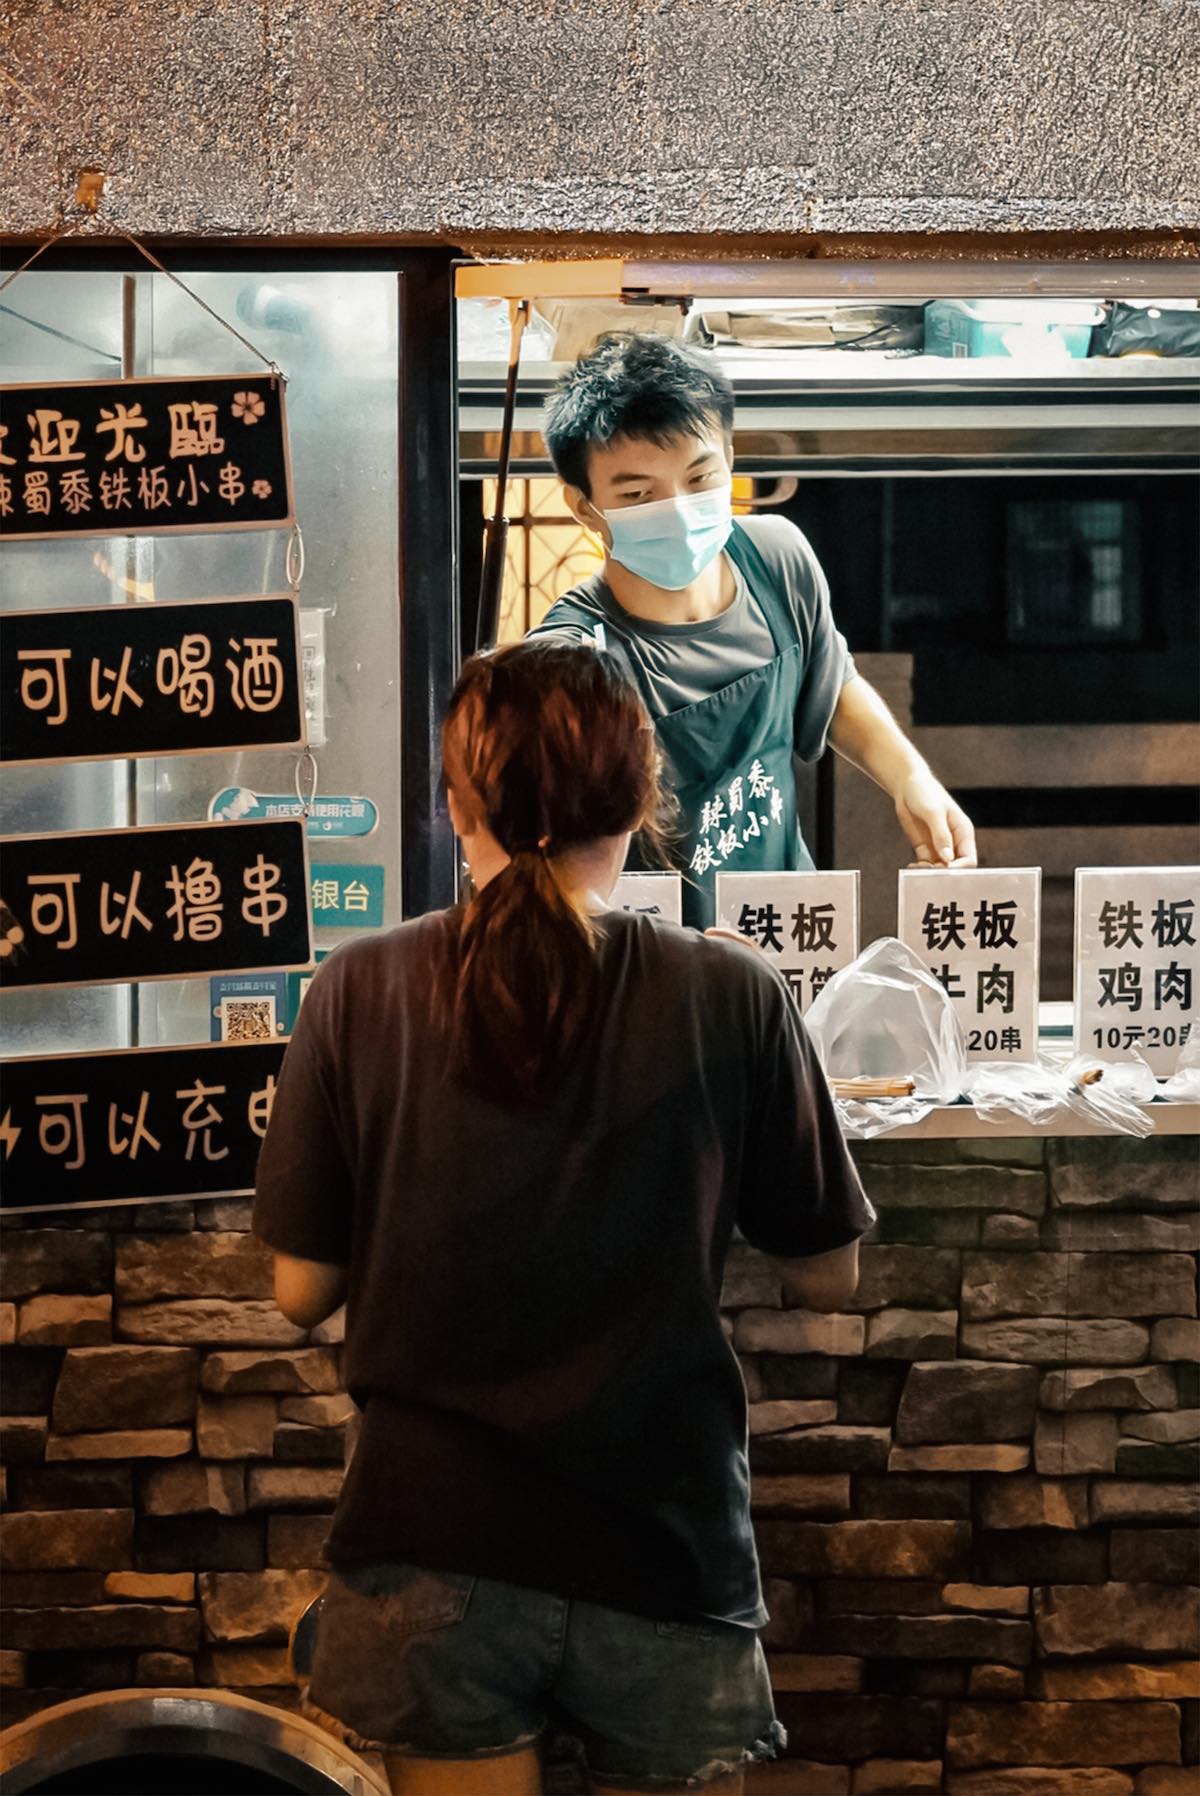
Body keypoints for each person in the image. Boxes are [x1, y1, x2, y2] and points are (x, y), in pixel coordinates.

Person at [253, 639, 875, 1796]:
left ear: (457, 805)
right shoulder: (730, 989)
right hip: (663, 1542)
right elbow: (826, 1273)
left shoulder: (359, 986)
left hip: (429, 1540)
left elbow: (302, 1290)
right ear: (641, 799)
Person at [532, 332, 977, 926]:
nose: (680, 509)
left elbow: (832, 683)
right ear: (585, 507)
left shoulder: (775, 559)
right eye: (638, 493)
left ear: (730, 458)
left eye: (699, 479)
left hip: (790, 934)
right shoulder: (572, 656)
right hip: (656, 957)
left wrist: (910, 779)